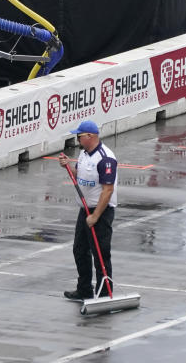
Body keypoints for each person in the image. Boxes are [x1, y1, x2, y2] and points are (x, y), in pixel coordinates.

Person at [58, 120, 118, 300]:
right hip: (84, 209)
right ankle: (84, 288)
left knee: (100, 253)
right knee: (79, 249)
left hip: (100, 211)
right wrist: (68, 165)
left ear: (89, 136)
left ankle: (105, 293)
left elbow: (107, 190)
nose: (77, 139)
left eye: (79, 136)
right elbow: (81, 176)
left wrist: (95, 216)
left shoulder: (105, 158)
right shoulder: (84, 154)